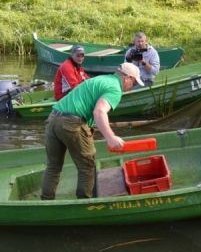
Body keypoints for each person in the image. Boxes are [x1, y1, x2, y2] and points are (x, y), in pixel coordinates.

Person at [40, 63, 143, 200]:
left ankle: (46, 202)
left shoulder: (102, 79)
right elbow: (99, 111)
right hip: (71, 123)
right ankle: (85, 203)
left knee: (53, 166)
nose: (132, 87)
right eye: (134, 83)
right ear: (126, 78)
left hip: (53, 119)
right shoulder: (115, 89)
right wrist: (110, 137)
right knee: (87, 167)